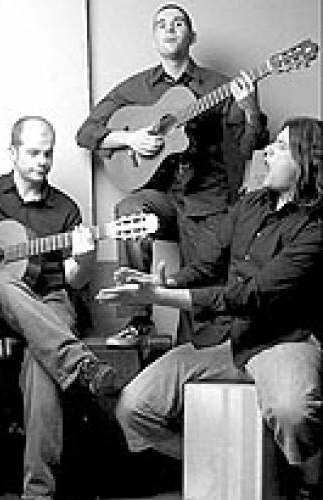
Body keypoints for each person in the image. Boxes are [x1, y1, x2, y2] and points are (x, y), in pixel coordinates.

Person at [97, 117, 323, 498]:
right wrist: (163, 284)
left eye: (281, 146)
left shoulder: (315, 227)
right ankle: (224, 461)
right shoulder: (249, 204)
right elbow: (206, 266)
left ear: (306, 162)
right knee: (133, 408)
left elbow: (251, 295)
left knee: (292, 412)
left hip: (284, 340)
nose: (268, 151)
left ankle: (310, 481)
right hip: (226, 340)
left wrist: (163, 298)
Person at [76, 3, 268, 347]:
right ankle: (138, 320)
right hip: (162, 197)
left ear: (192, 37)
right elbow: (86, 133)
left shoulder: (220, 86)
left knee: (204, 298)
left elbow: (249, 147)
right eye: (162, 24)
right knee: (128, 211)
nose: (169, 29)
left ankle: (198, 353)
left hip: (208, 199)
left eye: (178, 23)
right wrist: (130, 139)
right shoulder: (135, 89)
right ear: (154, 37)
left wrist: (252, 111)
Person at [0, 116, 116, 500]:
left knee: (43, 364)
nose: (42, 162)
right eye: (33, 153)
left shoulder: (66, 210)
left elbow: (74, 281)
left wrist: (84, 258)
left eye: (48, 154)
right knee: (0, 282)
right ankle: (79, 363)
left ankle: (38, 492)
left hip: (49, 300)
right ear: (13, 152)